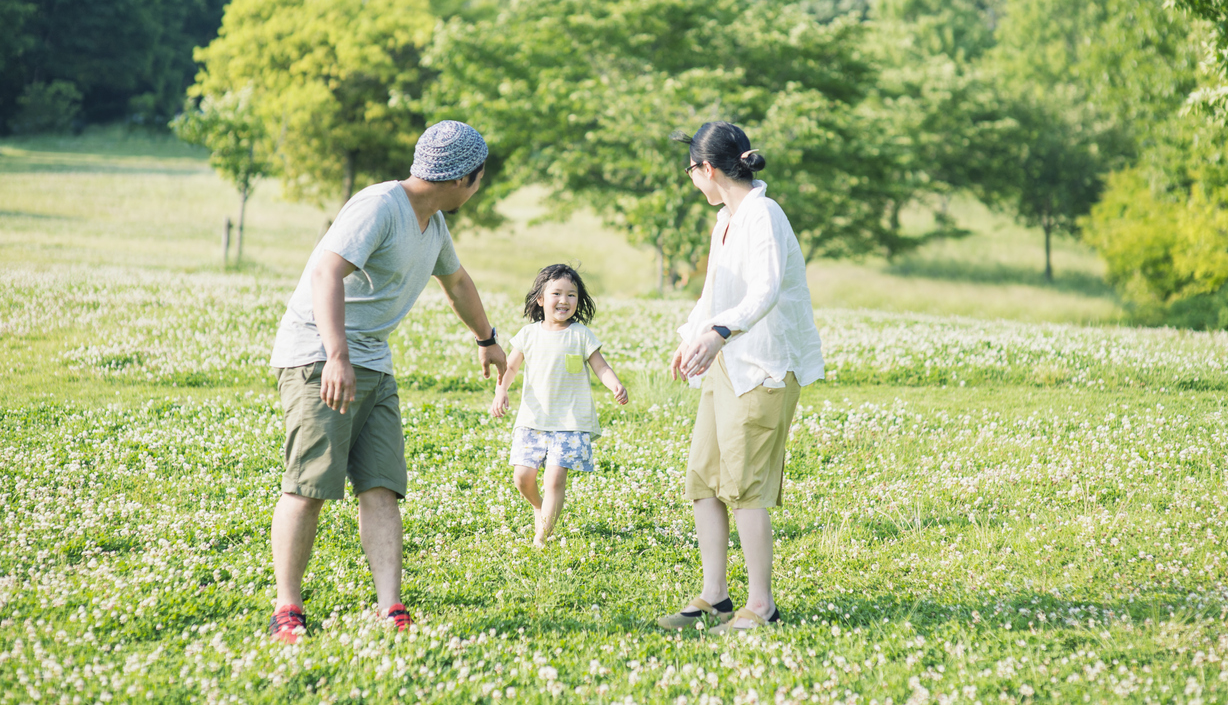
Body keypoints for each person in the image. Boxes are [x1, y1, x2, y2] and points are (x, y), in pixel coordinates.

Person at [266, 120, 508, 643]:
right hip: (319, 356)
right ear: (467, 177)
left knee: (381, 486)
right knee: (310, 484)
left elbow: (458, 282)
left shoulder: (433, 224)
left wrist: (486, 338)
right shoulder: (379, 206)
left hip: (373, 361)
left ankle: (389, 605)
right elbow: (326, 272)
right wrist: (336, 356)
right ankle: (287, 608)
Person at [657, 121, 825, 635]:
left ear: (707, 169)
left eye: (691, 171)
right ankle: (715, 598)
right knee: (704, 479)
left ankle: (762, 606)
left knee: (747, 487)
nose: (692, 181)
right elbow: (714, 294)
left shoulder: (762, 215)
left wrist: (720, 332)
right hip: (727, 361)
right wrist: (693, 335)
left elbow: (764, 290)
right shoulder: (726, 220)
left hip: (765, 366)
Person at [490, 264, 628, 547]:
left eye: (572, 295)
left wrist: (614, 383)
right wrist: (501, 391)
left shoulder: (580, 334)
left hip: (570, 421)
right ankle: (539, 507)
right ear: (540, 298)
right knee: (522, 477)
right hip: (533, 418)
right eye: (556, 293)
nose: (564, 300)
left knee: (554, 480)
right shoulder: (528, 334)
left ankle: (542, 535)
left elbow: (600, 367)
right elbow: (511, 367)